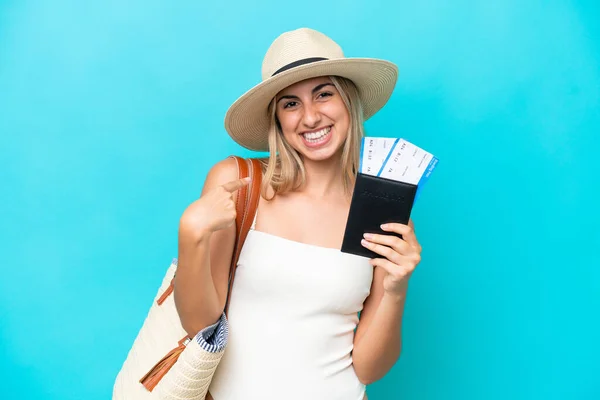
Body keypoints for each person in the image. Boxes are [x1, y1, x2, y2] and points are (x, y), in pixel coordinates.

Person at [174, 27, 423, 400]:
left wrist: (396, 288)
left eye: (324, 94)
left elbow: (370, 368)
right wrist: (191, 237)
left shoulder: (380, 207)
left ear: (348, 102)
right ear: (277, 120)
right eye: (291, 104)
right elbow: (200, 326)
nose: (310, 117)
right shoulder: (241, 183)